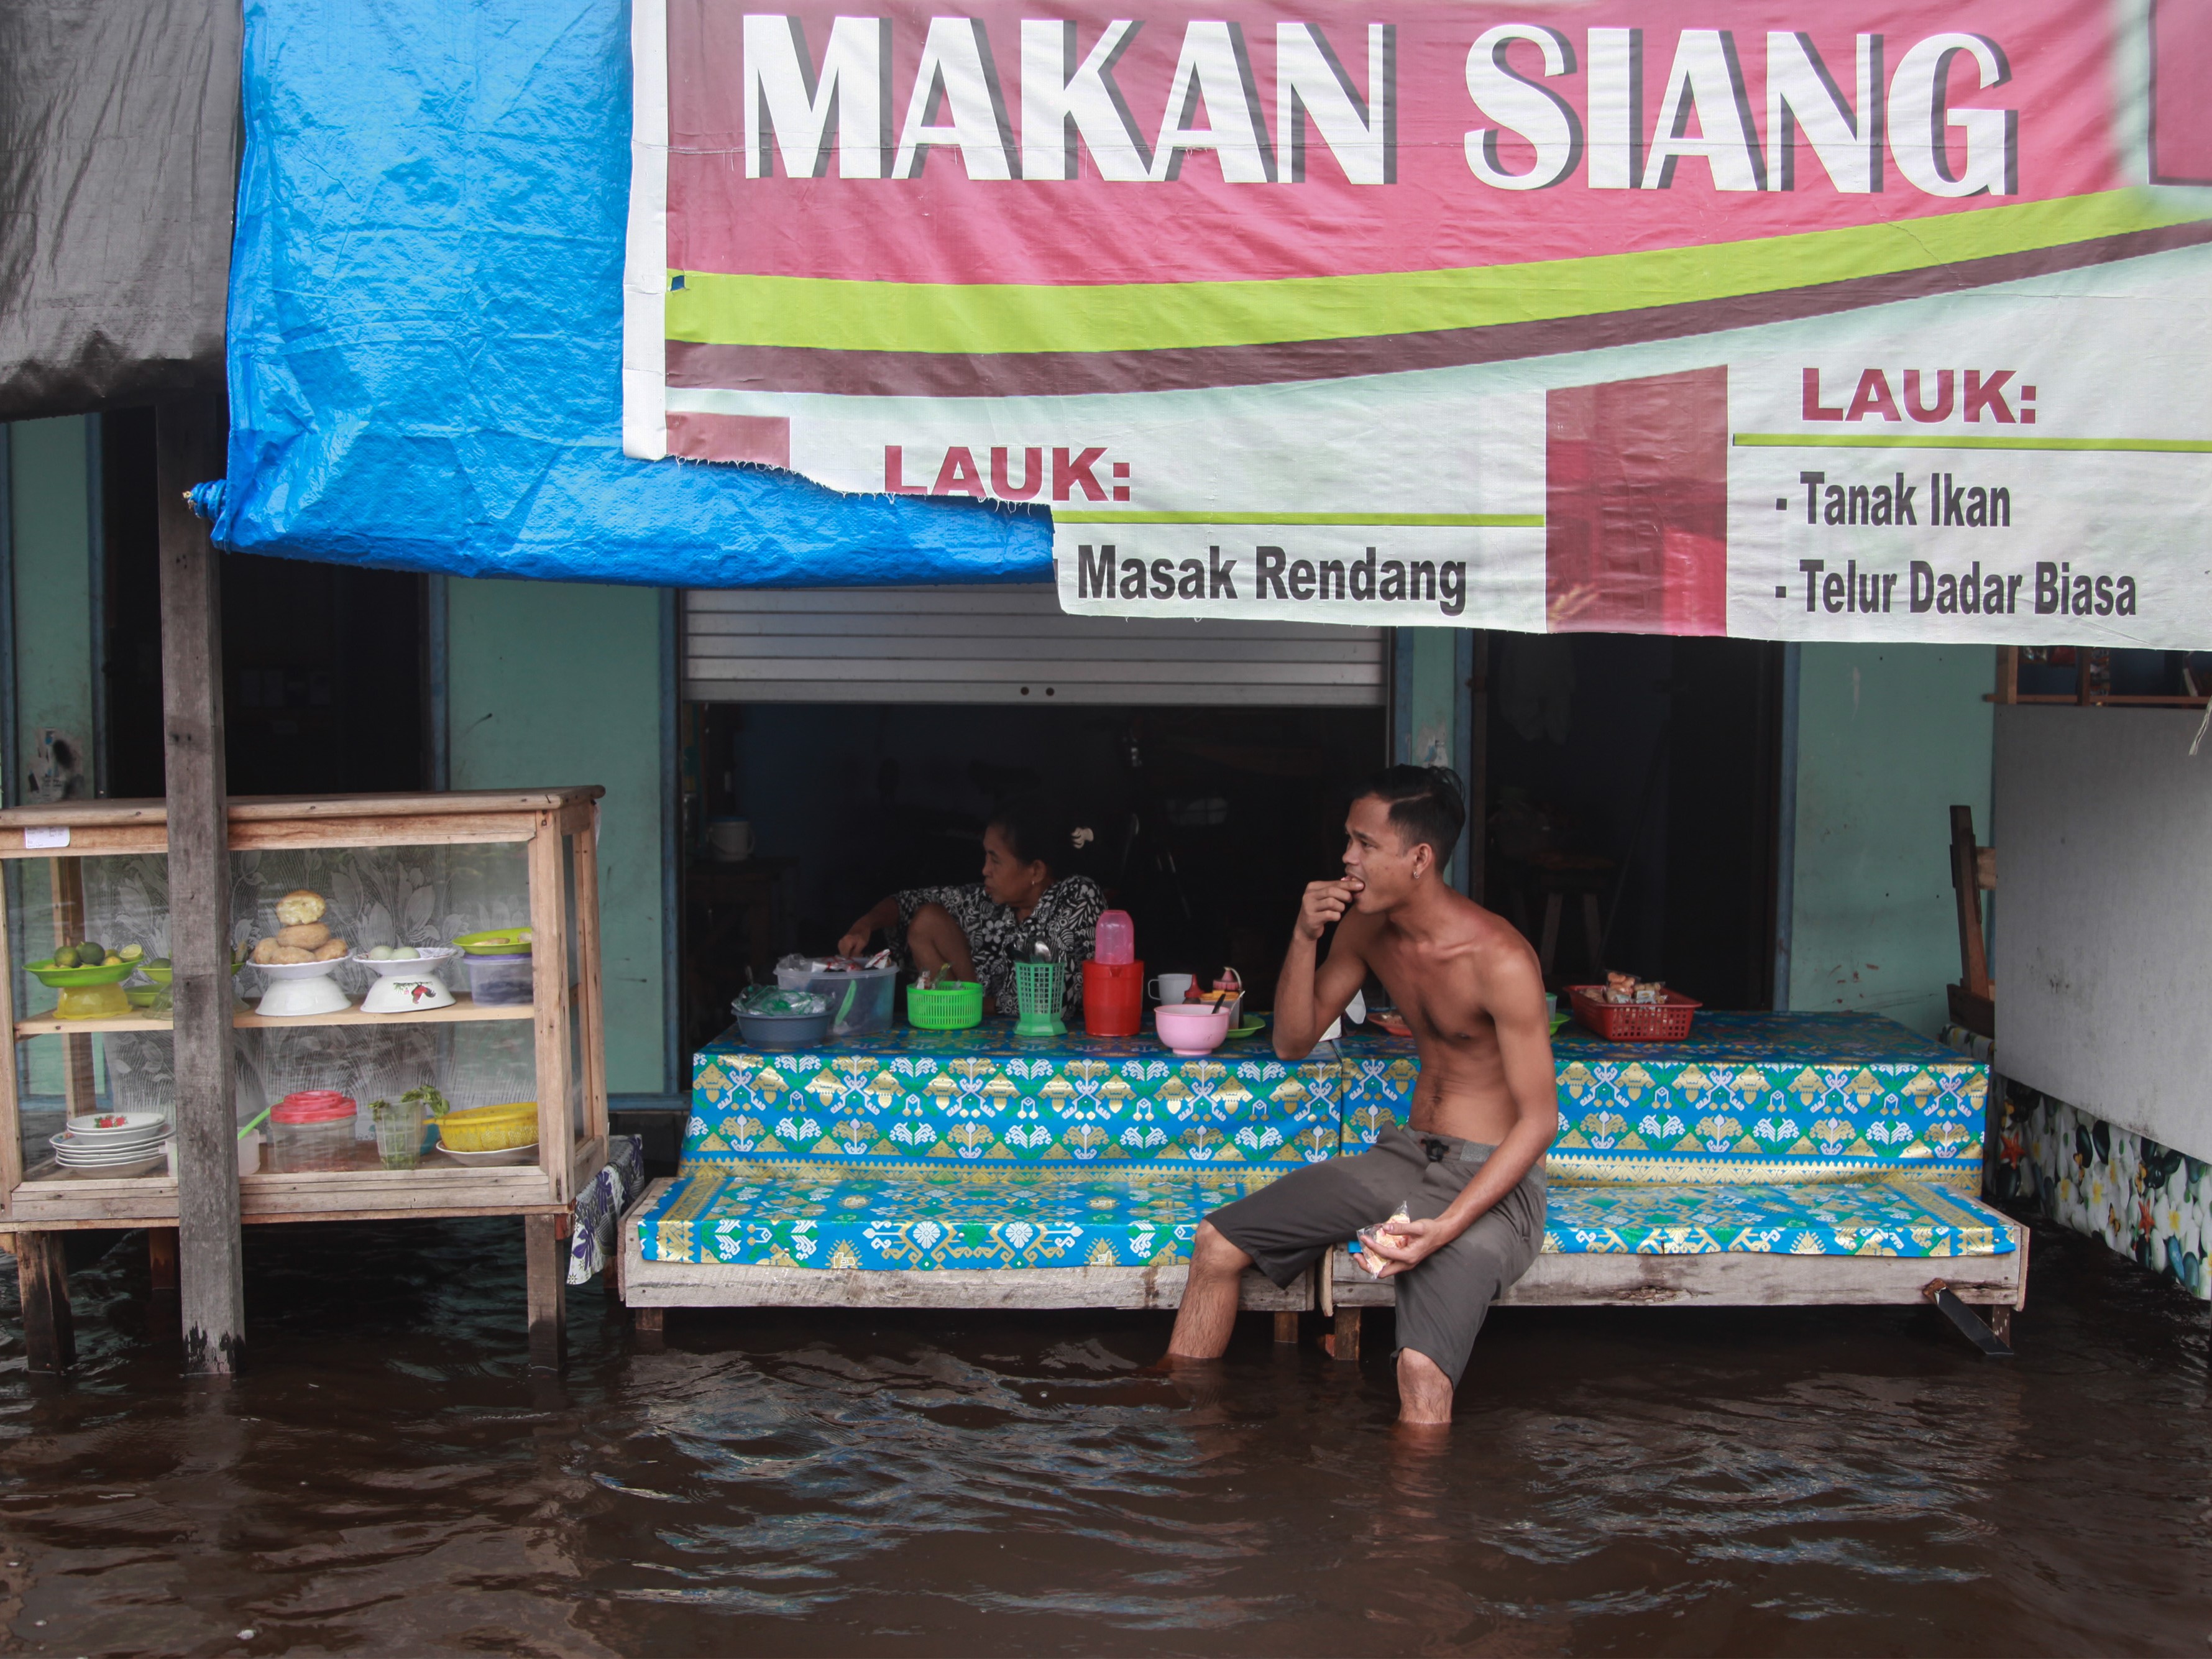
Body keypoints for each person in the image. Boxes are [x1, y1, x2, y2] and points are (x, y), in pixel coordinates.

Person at [1162, 765, 1555, 1427]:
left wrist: (1443, 1228)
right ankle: (1178, 1431)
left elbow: (1540, 1121)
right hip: (1404, 1159)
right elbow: (1292, 1040)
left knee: (1420, 1369)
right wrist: (1303, 935)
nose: (1346, 857)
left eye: (1364, 843)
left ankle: (1412, 1526)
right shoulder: (1367, 929)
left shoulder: (1500, 958)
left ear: (1419, 858)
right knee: (1214, 1244)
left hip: (1488, 1183)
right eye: (1348, 840)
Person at [838, 794, 1105, 1016]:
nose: (985, 870)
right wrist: (865, 925)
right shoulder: (986, 902)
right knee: (927, 919)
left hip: (1045, 1046)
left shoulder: (1078, 896)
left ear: (1035, 870)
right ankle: (956, 1018)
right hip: (973, 1029)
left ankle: (959, 1009)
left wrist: (973, 1003)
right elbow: (906, 903)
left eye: (995, 860)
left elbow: (1048, 1003)